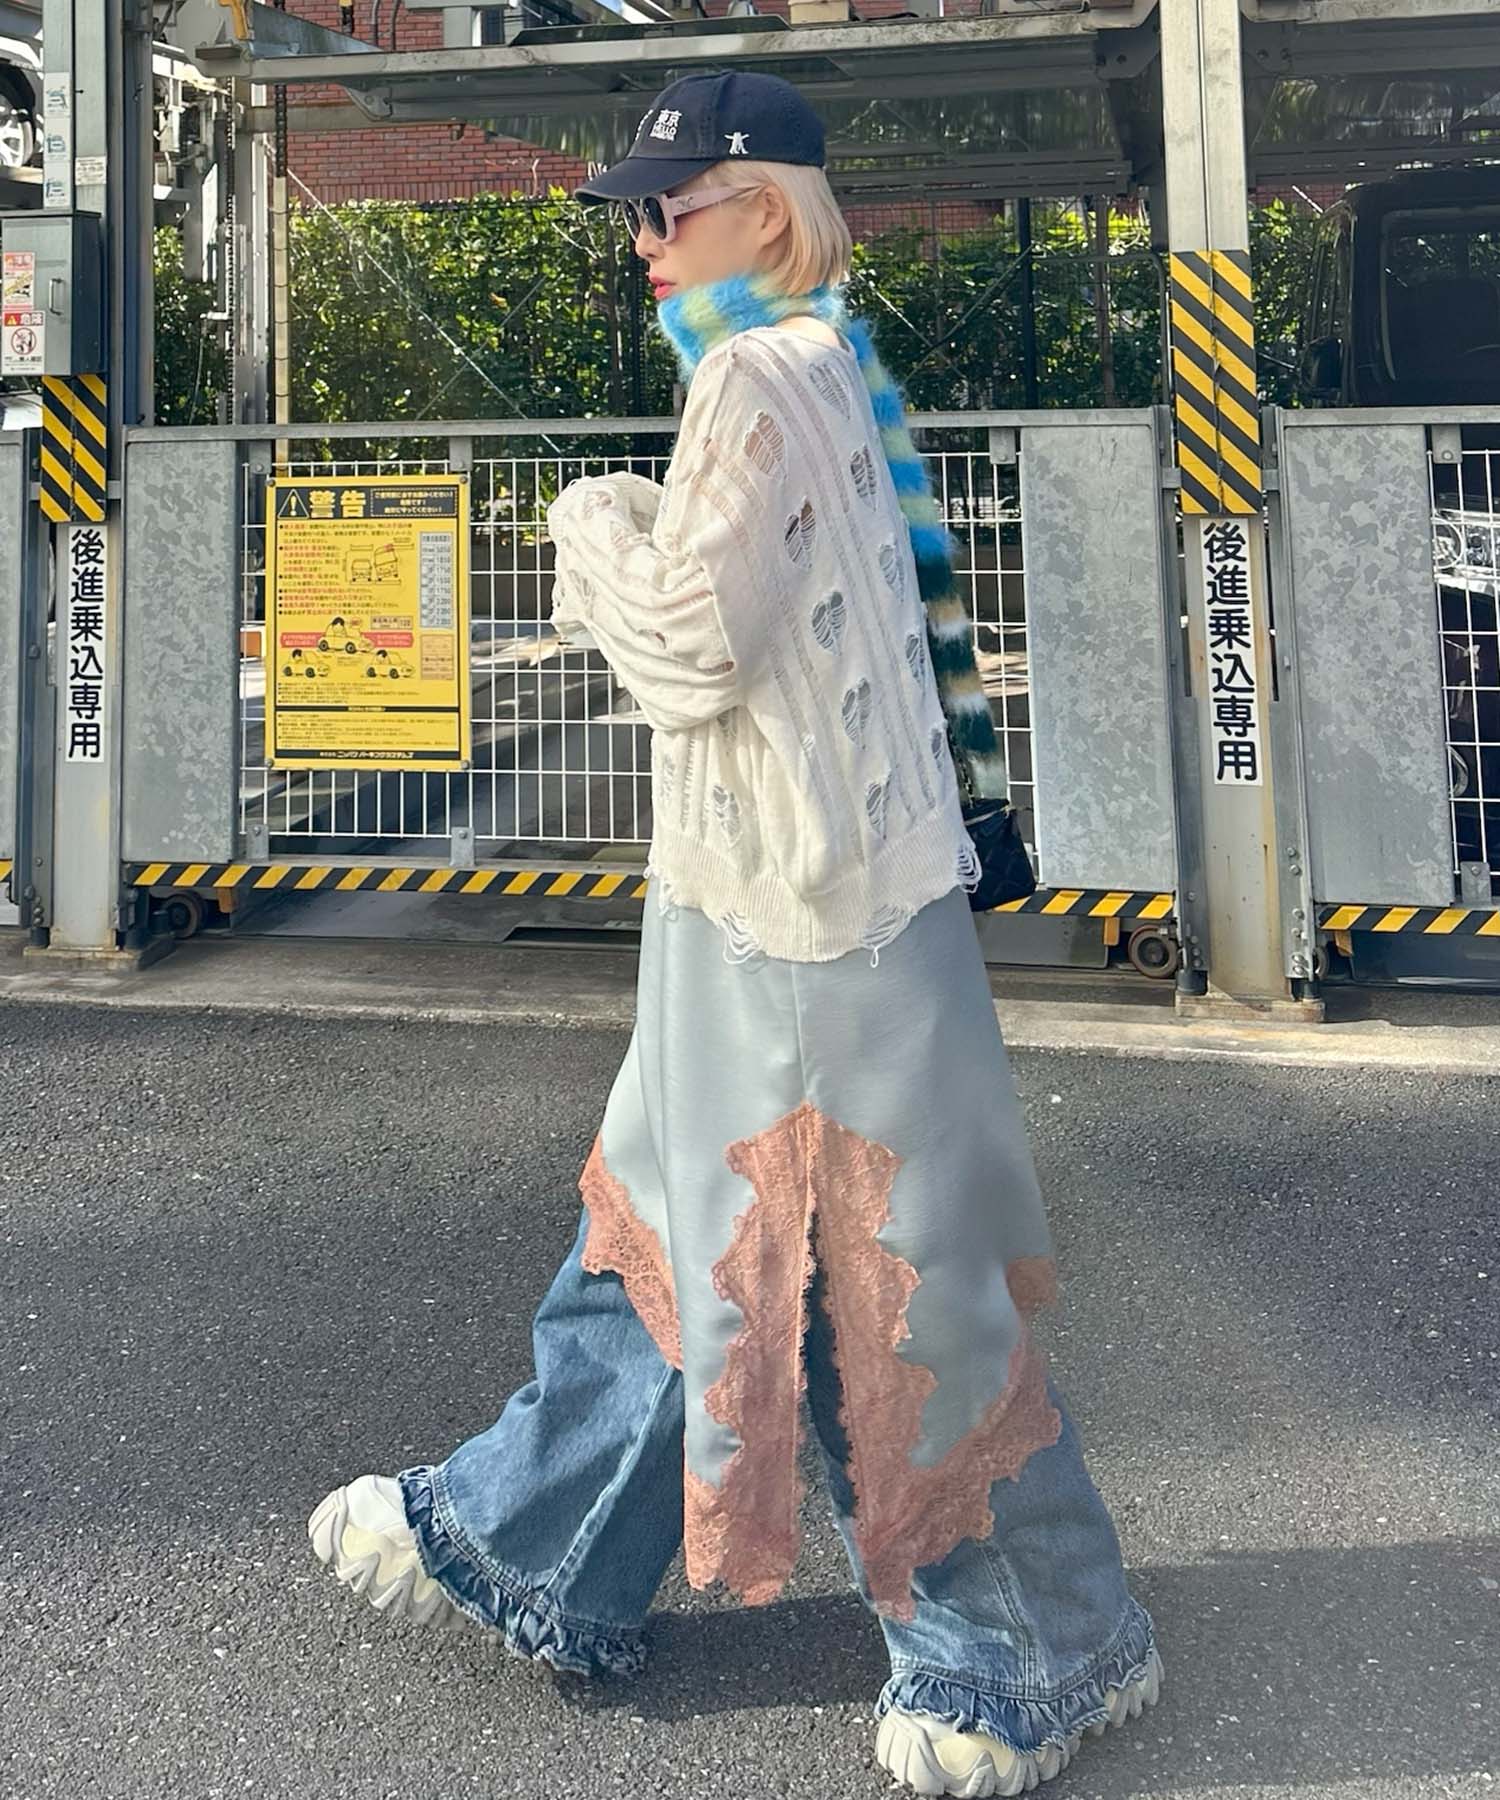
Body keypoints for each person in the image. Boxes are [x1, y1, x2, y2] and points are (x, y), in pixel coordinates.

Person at [308, 69, 1161, 1796]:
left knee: (863, 1271)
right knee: (684, 1224)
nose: (642, 237)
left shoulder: (756, 374)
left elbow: (692, 645)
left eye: (669, 206)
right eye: (637, 210)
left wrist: (587, 518)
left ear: (764, 209)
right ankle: (527, 1537)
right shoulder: (829, 359)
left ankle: (1035, 1641)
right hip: (799, 891)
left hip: (802, 917)